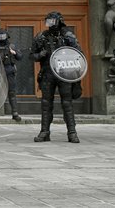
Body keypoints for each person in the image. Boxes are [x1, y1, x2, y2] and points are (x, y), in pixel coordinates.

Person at [32, 12, 82, 143]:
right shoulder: (41, 37)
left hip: (64, 73)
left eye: (52, 21)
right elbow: (32, 55)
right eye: (48, 21)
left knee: (67, 103)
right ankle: (44, 132)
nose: (50, 24)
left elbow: (79, 54)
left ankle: (72, 132)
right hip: (48, 73)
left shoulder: (68, 36)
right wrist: (40, 55)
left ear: (59, 21)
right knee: (46, 104)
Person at [0, 29, 22, 121]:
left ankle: (14, 113)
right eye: (0, 36)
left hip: (9, 71)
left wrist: (15, 52)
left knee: (11, 93)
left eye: (3, 36)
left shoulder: (11, 46)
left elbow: (20, 57)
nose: (2, 38)